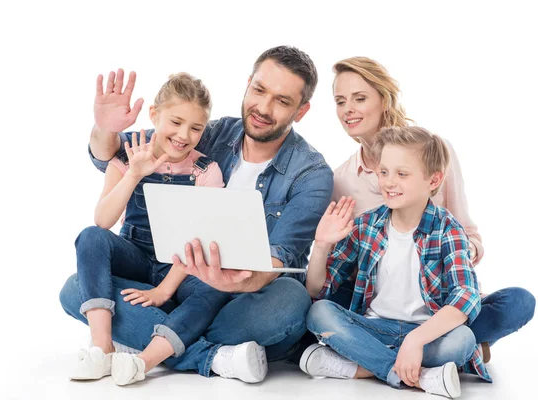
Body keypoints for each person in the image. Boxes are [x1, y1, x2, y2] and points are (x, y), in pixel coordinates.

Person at [60, 45, 334, 384]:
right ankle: (214, 355)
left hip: (238, 294)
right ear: (248, 84)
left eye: (282, 100)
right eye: (259, 90)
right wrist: (105, 129)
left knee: (287, 303)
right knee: (75, 287)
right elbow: (117, 157)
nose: (263, 107)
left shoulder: (312, 173)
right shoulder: (210, 131)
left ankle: (145, 331)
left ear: (302, 111)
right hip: (165, 274)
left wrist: (230, 280)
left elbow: (280, 258)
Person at [328, 57, 535, 360]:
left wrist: (455, 253)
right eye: (340, 101)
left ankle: (401, 349)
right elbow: (343, 263)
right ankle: (444, 352)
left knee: (518, 301)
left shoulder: (434, 151)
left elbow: (468, 234)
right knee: (319, 308)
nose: (348, 109)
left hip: (436, 299)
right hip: (379, 306)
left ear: (384, 99)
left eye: (360, 98)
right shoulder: (342, 179)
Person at [300, 126, 490, 399]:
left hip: (426, 333)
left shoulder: (448, 228)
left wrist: (416, 339)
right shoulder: (367, 224)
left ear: (433, 180)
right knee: (319, 314)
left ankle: (359, 366)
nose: (389, 182)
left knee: (463, 340)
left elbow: (467, 296)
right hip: (374, 328)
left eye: (402, 174)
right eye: (384, 172)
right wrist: (321, 245)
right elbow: (318, 291)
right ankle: (415, 375)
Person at [68, 72, 233, 386]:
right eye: (176, 121)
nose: (184, 134)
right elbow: (102, 221)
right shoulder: (129, 150)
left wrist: (163, 291)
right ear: (155, 114)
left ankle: (144, 361)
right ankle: (102, 349)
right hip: (135, 255)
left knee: (216, 286)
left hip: (180, 266)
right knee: (90, 238)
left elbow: (199, 239)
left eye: (196, 128)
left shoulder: (205, 171)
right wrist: (133, 174)